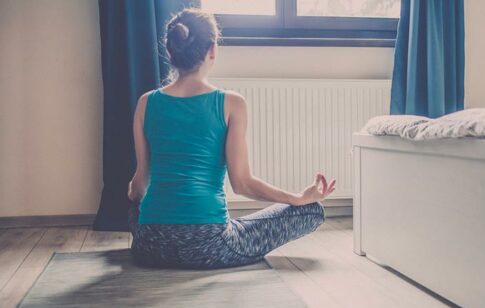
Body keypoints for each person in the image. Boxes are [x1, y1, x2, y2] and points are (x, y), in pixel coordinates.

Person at [127, 8, 336, 269]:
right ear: (212, 49)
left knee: (135, 208)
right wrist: (297, 198)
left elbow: (138, 186)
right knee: (312, 210)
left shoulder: (145, 103)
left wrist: (145, 204)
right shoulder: (231, 103)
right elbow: (242, 184)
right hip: (209, 246)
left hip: (150, 246)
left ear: (170, 51)